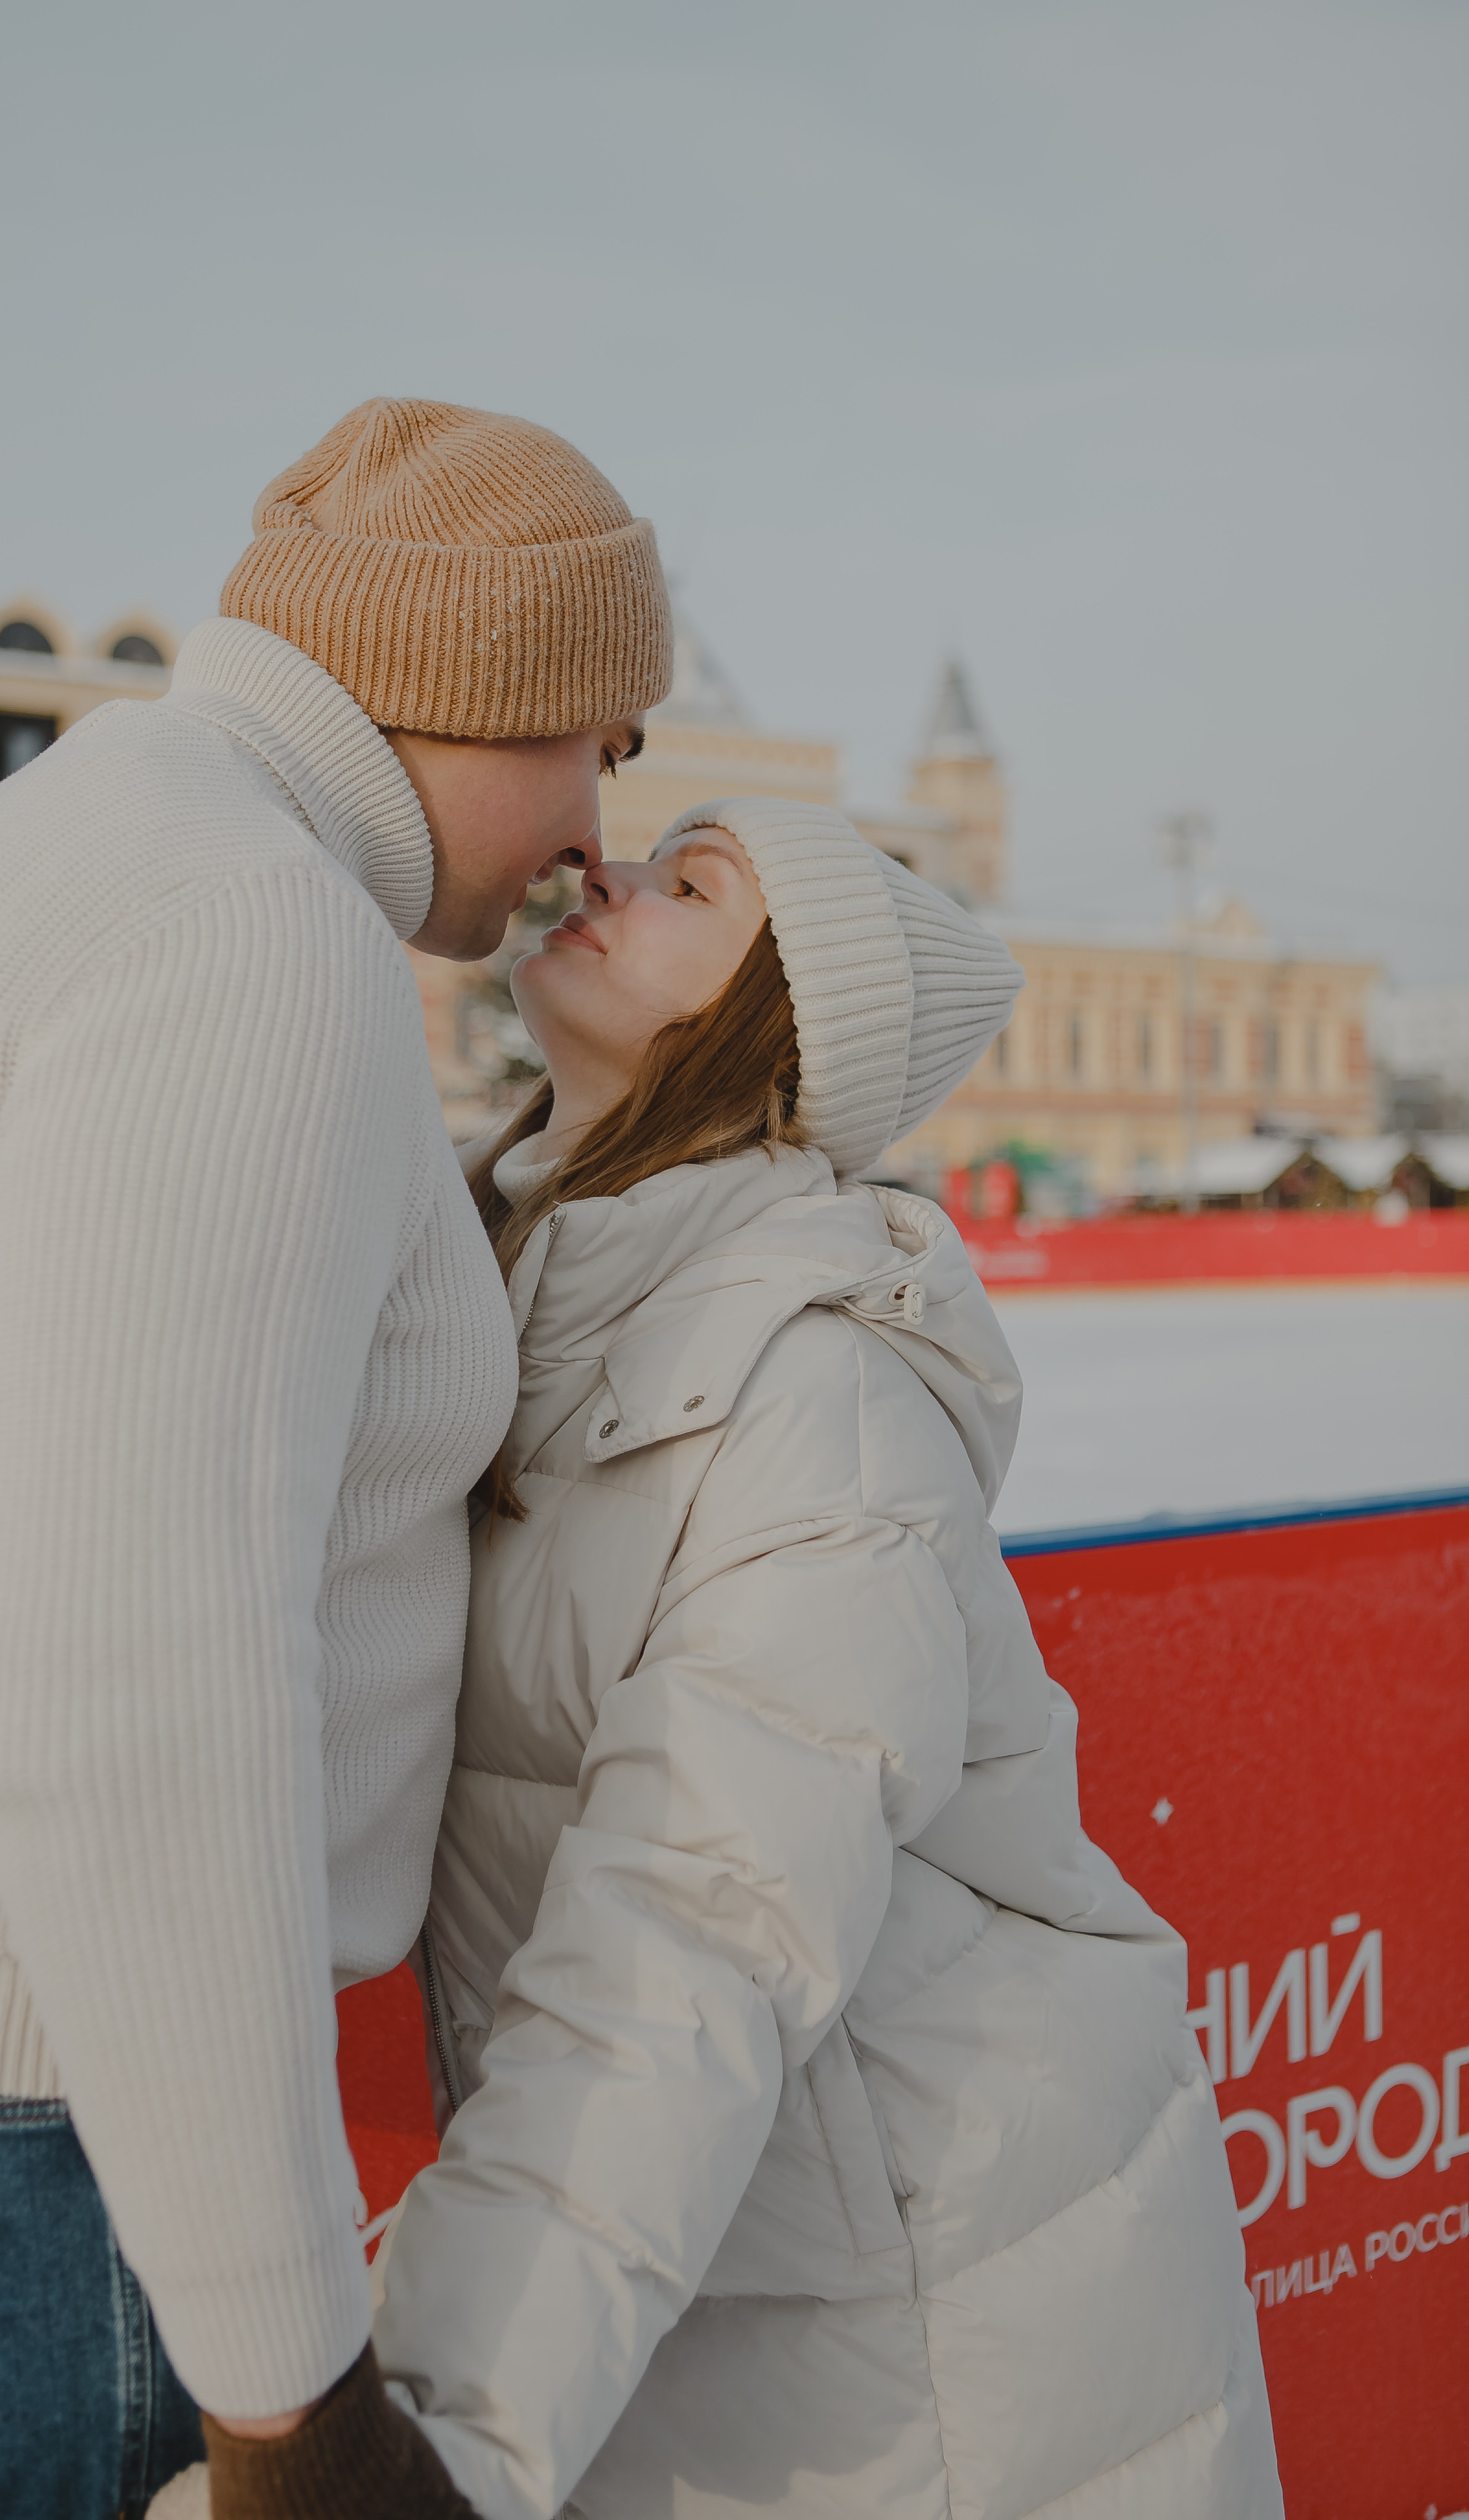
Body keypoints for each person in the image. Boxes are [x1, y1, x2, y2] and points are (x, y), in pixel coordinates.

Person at [0, 398, 671, 2519]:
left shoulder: (77, 843)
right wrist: (290, 2396)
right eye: (608, 737)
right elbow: (132, 1696)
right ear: (496, 689)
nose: (601, 821)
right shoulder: (241, 929)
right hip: (22, 2144)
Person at [365, 798, 1285, 2517]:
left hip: (928, 2358)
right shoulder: (511, 1314)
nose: (605, 873)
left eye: (687, 885)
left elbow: (696, 1928)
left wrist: (429, 2437)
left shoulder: (808, 1398)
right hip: (730, 2292)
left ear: (776, 1029)